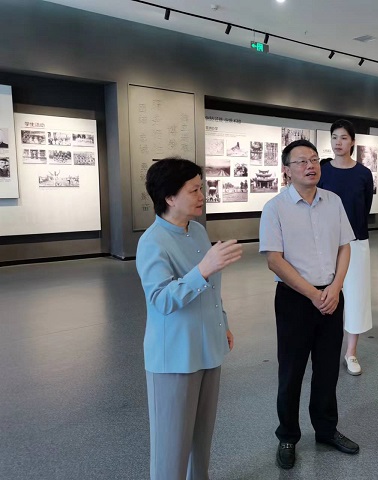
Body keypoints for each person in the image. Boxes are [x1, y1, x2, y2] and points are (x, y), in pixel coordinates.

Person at [136, 158, 243, 480]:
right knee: (171, 448)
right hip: (175, 357)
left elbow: (212, 290)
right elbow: (161, 299)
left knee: (201, 442)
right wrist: (203, 269)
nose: (202, 195)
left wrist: (222, 323)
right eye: (194, 190)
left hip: (208, 348)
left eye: (201, 188)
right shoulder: (152, 242)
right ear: (170, 197)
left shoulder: (197, 230)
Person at [259, 139, 359, 470]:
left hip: (331, 295)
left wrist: (335, 287)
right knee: (291, 371)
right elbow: (274, 260)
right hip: (295, 299)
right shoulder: (275, 208)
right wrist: (313, 294)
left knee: (328, 369)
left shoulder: (333, 201)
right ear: (287, 170)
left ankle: (326, 430)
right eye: (301, 161)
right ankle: (288, 435)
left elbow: (345, 246)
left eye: (314, 159)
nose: (310, 166)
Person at [317, 119, 373, 376]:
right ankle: (323, 348)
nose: (338, 142)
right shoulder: (322, 170)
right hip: (324, 242)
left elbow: (364, 207)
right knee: (324, 294)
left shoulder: (363, 173)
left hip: (356, 241)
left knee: (356, 296)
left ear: (352, 142)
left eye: (343, 138)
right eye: (334, 137)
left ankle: (351, 352)